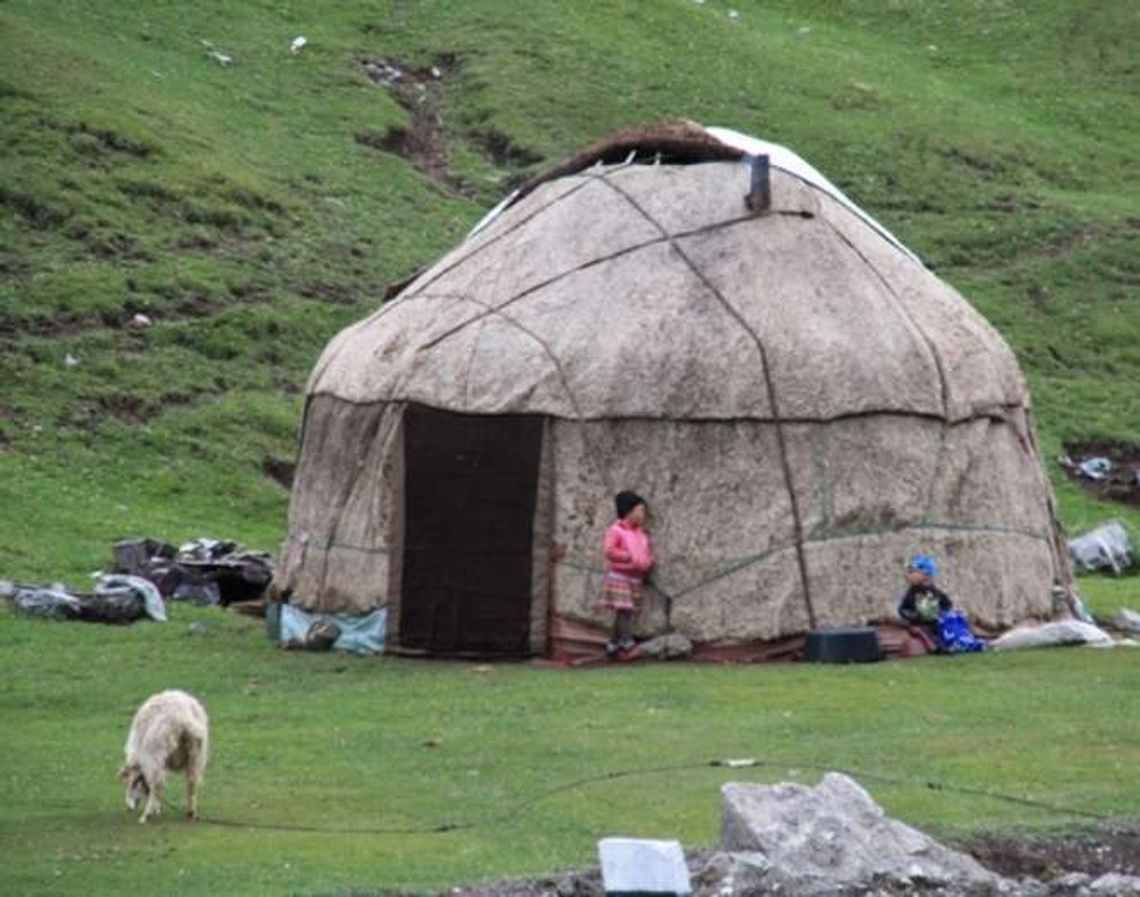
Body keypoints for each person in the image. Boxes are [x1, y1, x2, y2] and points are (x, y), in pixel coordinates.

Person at [602, 491, 654, 659]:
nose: (643, 514)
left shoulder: (640, 534)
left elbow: (645, 551)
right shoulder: (616, 531)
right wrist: (628, 556)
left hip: (634, 578)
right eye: (640, 510)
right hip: (619, 577)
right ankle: (626, 641)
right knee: (624, 609)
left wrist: (648, 561)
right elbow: (609, 551)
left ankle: (612, 644)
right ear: (629, 511)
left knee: (624, 611)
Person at [897, 553, 985, 654]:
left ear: (926, 574)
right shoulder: (912, 592)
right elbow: (903, 609)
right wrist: (913, 615)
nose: (909, 575)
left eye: (913, 572)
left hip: (934, 620)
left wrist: (942, 613)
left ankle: (962, 641)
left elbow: (946, 603)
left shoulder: (934, 591)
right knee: (923, 631)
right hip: (918, 622)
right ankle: (936, 648)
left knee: (951, 622)